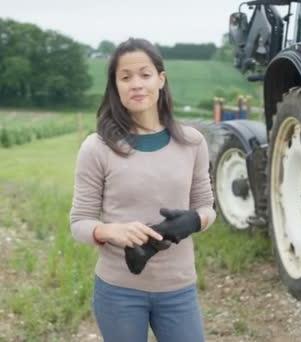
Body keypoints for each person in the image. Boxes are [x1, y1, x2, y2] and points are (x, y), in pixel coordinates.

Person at [70, 38, 216, 342]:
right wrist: (110, 232)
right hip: (119, 291)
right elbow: (79, 222)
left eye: (145, 74)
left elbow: (206, 208)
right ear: (116, 86)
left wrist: (194, 221)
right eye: (125, 77)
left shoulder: (192, 142)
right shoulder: (97, 148)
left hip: (178, 289)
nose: (136, 84)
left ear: (161, 80)